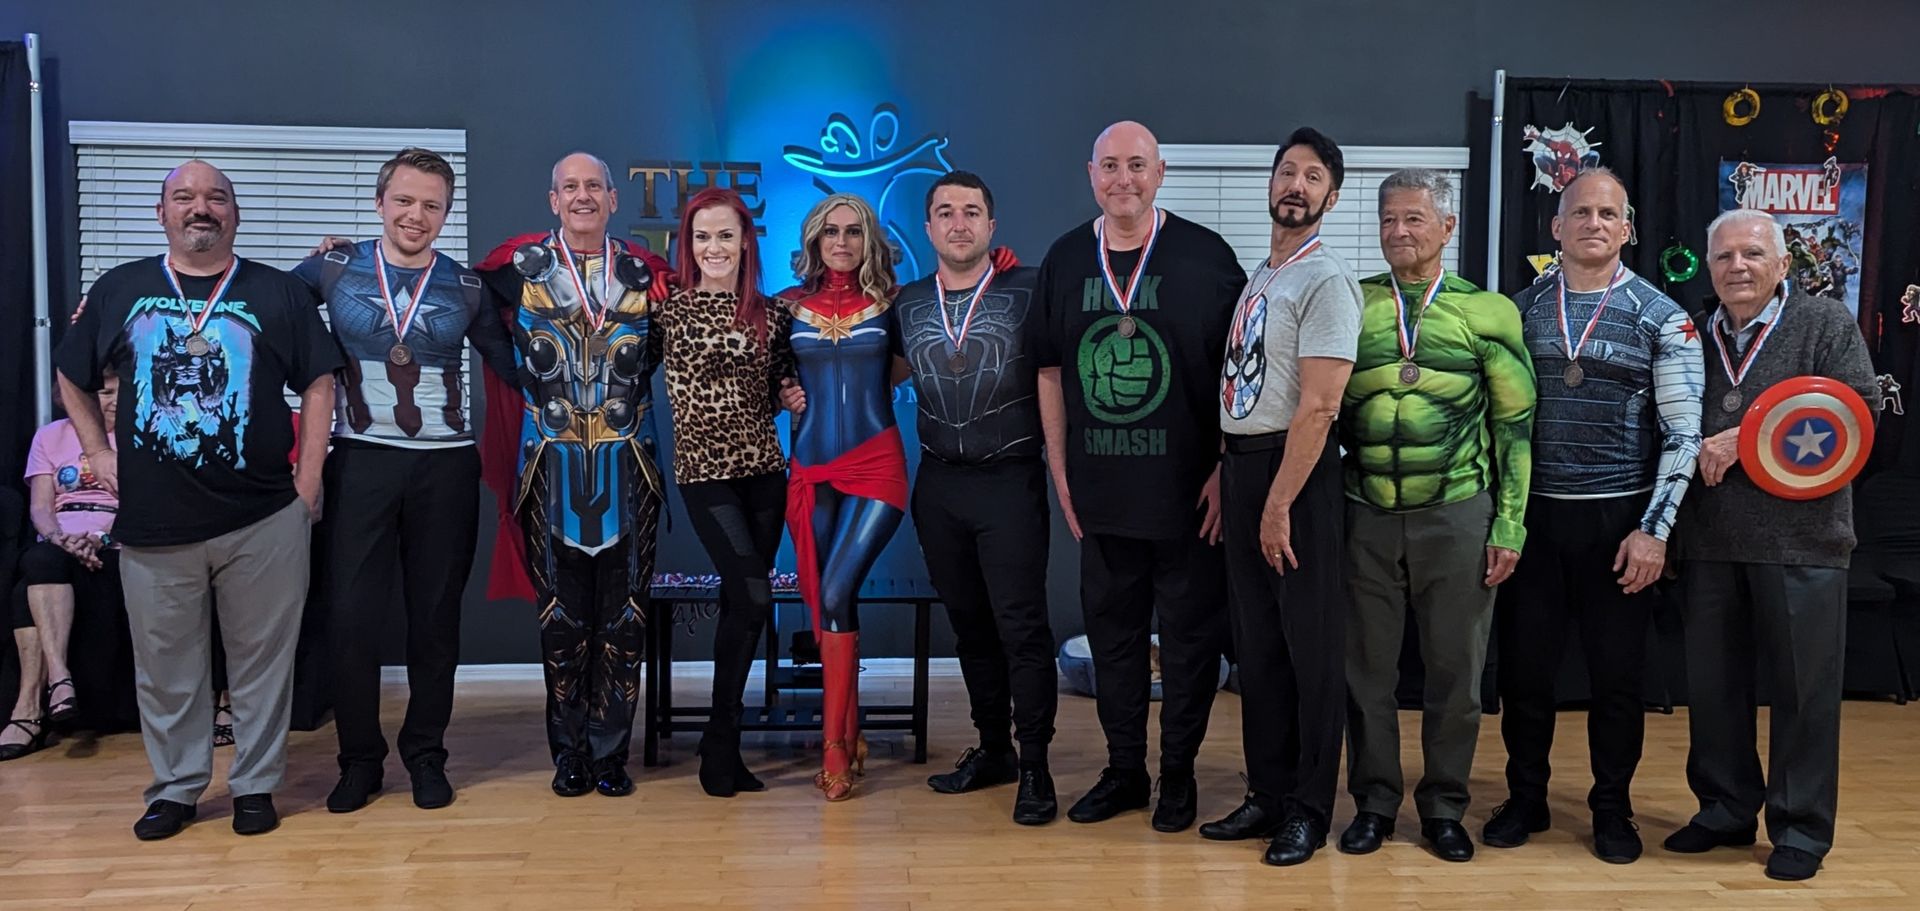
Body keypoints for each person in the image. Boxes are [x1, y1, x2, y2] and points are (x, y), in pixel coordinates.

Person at [55, 159, 341, 840]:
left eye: (216, 197)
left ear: (235, 214)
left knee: (263, 664)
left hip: (264, 515)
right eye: (184, 197)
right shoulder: (122, 287)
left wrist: (308, 478)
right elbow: (71, 372)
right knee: (166, 668)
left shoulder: (276, 292)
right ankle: (177, 788)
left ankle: (255, 786)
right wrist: (97, 452)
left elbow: (322, 381)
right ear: (163, 214)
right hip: (155, 522)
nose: (200, 207)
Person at [1033, 121, 1245, 832]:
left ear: (1161, 172)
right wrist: (1061, 469)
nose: (1123, 178)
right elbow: (1051, 369)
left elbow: (1238, 377)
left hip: (1189, 498)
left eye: (1137, 165)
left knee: (1189, 645)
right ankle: (1125, 770)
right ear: (1091, 173)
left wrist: (1223, 465)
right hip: (1102, 495)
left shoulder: (1208, 258)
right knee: (1114, 644)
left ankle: (1178, 776)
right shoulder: (1065, 260)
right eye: (1110, 166)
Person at [293, 148, 519, 814]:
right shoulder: (333, 267)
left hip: (446, 466)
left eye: (431, 205)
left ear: (447, 212)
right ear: (379, 202)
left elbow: (514, 366)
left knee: (435, 620)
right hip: (360, 457)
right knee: (353, 619)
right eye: (404, 201)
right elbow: (259, 311)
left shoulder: (469, 286)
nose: (416, 216)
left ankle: (425, 754)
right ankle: (359, 760)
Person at [1488, 168, 1704, 864]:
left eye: (1608, 214)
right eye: (1580, 212)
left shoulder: (1662, 315)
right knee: (1525, 675)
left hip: (1620, 526)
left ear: (1627, 228)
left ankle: (1612, 808)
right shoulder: (1517, 312)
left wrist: (1655, 530)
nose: (1593, 223)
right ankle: (1526, 797)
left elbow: (1683, 436)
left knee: (1618, 681)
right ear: (1555, 227)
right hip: (1536, 521)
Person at [1664, 208, 1878, 882]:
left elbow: (1855, 415)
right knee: (1713, 688)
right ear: (1709, 265)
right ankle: (1725, 807)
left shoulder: (1825, 324)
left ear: (1783, 263)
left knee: (1803, 693)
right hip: (1709, 539)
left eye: (1753, 254)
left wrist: (1746, 439)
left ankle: (1801, 827)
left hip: (1805, 541)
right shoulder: (1688, 332)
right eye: (1724, 256)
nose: (1738, 267)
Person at [1337, 168, 1535, 862]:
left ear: (1447, 227)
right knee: (1366, 671)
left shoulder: (1488, 312)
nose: (1399, 231)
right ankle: (1374, 802)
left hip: (1456, 510)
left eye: (1415, 218)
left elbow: (1515, 426)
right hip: (1365, 508)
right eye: (1389, 219)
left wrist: (1510, 522)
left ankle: (1446, 805)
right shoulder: (1352, 303)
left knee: (1456, 671)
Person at [474, 152, 671, 799]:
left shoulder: (648, 275)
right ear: (552, 199)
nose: (582, 196)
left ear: (614, 199)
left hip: (630, 465)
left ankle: (612, 753)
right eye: (570, 187)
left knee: (626, 617)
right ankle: (570, 753)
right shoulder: (514, 273)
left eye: (594, 186)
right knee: (560, 617)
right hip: (548, 468)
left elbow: (666, 350)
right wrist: (518, 378)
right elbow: (461, 302)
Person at [1200, 128, 1362, 866]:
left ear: (1331, 195)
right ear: (1271, 184)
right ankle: (1266, 792)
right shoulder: (1262, 275)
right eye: (1287, 171)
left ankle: (1307, 809)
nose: (1296, 184)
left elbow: (1320, 406)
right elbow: (1249, 388)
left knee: (1310, 652)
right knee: (1257, 648)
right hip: (1244, 467)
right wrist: (1226, 468)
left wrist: (1276, 502)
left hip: (1296, 477)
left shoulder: (1326, 280)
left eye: (1313, 176)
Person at [891, 171, 1058, 824]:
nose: (958, 224)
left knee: (1022, 628)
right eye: (944, 213)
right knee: (970, 627)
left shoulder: (1031, 288)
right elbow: (873, 375)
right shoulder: (906, 302)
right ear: (928, 228)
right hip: (938, 485)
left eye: (971, 212)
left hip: (1009, 479)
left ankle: (1036, 766)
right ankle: (994, 749)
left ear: (992, 225)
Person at [656, 187, 793, 798]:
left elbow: (785, 384)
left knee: (745, 606)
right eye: (702, 237)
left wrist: (794, 395)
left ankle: (726, 750)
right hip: (705, 476)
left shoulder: (773, 314)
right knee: (754, 597)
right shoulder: (665, 312)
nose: (714, 247)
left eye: (725, 235)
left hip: (765, 472)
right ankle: (718, 741)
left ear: (745, 242)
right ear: (688, 245)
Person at [774, 193, 910, 801]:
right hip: (811, 465)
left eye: (854, 231)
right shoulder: (785, 307)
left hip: (876, 463)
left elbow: (930, 343)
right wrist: (782, 389)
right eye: (831, 231)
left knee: (834, 590)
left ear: (869, 239)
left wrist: (1003, 266)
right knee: (834, 600)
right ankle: (849, 732)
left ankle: (832, 748)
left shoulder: (896, 304)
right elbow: (764, 373)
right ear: (814, 238)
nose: (843, 241)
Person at [2, 376, 127, 760]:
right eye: (105, 392)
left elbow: (143, 504)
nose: (113, 401)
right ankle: (60, 678)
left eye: (122, 391)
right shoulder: (50, 437)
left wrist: (99, 538)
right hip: (61, 540)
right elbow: (41, 507)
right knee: (39, 560)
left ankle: (30, 710)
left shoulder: (145, 435)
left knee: (30, 587)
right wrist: (60, 538)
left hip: (115, 538)